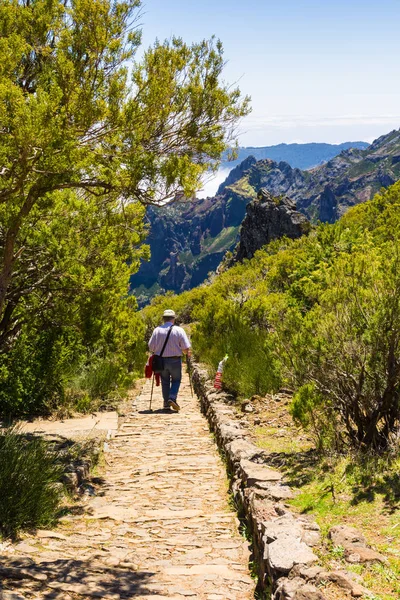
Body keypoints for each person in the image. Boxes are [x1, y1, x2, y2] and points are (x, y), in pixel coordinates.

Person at [148, 309, 191, 412]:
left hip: (161, 361)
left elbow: (151, 346)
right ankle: (172, 397)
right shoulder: (179, 330)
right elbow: (185, 348)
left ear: (163, 319)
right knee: (176, 380)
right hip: (175, 360)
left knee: (165, 381)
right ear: (173, 319)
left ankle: (166, 403)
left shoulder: (157, 330)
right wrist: (186, 353)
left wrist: (158, 350)